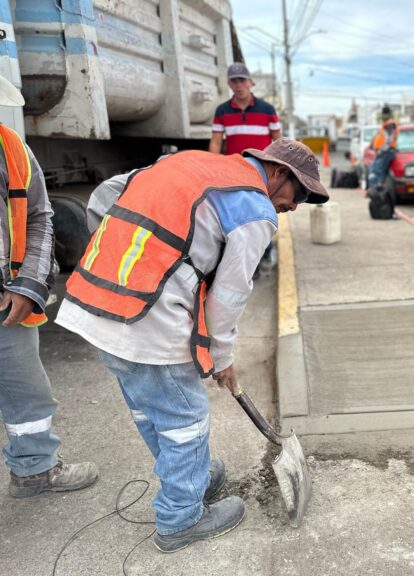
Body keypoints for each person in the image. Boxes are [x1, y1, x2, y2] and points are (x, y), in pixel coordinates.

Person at [56, 139, 328, 552]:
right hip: (144, 316)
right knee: (185, 418)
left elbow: (106, 195)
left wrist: (114, 256)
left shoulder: (191, 163)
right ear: (277, 172)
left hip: (96, 302)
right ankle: (180, 518)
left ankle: (193, 478)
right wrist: (222, 357)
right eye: (297, 195)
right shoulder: (255, 209)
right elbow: (229, 296)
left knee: (151, 407)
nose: (292, 208)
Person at [0, 75, 98, 498]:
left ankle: (34, 470)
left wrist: (28, 284)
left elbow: (39, 216)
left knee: (28, 392)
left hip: (6, 295)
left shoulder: (11, 149)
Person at [209, 62, 283, 271]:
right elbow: (216, 141)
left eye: (242, 80)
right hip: (235, 170)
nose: (238, 84)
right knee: (238, 213)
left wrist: (279, 168)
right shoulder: (222, 111)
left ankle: (264, 251)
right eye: (234, 80)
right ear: (229, 84)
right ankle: (245, 260)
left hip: (263, 171)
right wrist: (212, 167)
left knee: (262, 210)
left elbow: (278, 140)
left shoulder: (267, 110)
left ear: (250, 82)